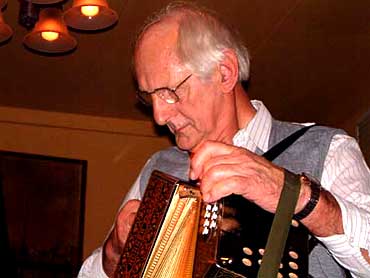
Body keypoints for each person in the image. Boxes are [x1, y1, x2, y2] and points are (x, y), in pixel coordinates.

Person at [78, 2, 370, 277]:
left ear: (225, 73)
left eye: (169, 91)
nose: (158, 116)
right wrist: (115, 252)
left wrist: (294, 194)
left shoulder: (326, 149)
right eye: (149, 97)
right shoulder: (158, 168)